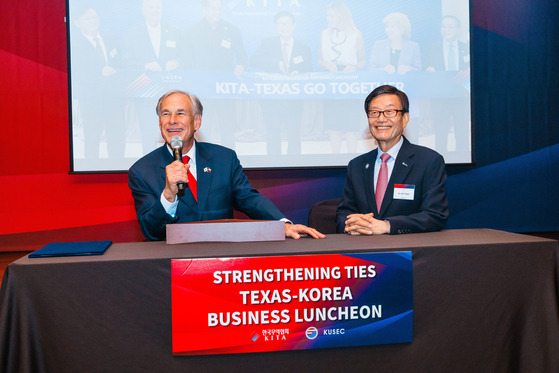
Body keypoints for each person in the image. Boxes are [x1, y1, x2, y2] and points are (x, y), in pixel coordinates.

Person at [128, 89, 325, 241]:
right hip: (171, 267)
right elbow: (150, 232)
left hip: (222, 262)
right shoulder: (142, 171)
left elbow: (248, 198)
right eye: (165, 114)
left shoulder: (224, 158)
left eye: (180, 113)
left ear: (197, 121)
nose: (172, 121)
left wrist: (281, 224)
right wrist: (168, 195)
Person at [336, 85, 449, 235]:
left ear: (405, 119)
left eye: (390, 112)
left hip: (410, 252)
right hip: (364, 252)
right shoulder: (357, 165)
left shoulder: (428, 161)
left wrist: (388, 226)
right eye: (374, 113)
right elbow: (344, 213)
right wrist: (351, 224)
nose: (381, 119)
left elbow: (435, 215)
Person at [122, 0, 182, 154]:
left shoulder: (174, 32)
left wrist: (176, 61)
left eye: (157, 7)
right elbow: (126, 60)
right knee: (147, 131)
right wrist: (145, 65)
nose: (155, 10)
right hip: (145, 89)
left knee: (172, 130)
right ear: (143, 10)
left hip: (169, 92)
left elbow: (185, 57)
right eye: (151, 7)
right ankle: (149, 166)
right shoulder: (132, 33)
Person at [250, 11, 313, 156]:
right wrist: (276, 64)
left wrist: (298, 72)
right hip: (272, 100)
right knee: (272, 134)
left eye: (287, 23)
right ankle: (272, 167)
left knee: (294, 133)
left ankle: (295, 166)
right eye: (281, 23)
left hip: (294, 100)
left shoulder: (303, 47)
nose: (284, 27)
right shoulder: (267, 43)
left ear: (294, 25)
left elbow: (309, 68)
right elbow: (253, 60)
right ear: (276, 26)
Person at [71, 5, 125, 159]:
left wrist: (116, 72)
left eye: (94, 17)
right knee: (92, 139)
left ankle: (118, 170)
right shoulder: (74, 43)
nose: (92, 21)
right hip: (91, 101)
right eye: (87, 18)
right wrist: (98, 72)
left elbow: (122, 64)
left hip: (115, 99)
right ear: (77, 23)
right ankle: (91, 172)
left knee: (117, 138)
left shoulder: (110, 38)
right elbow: (77, 70)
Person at [317, 1, 366, 154]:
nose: (328, 18)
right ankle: (335, 159)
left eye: (331, 15)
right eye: (327, 15)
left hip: (349, 85)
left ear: (340, 15)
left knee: (351, 129)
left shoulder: (355, 33)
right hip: (332, 87)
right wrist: (326, 65)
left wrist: (355, 67)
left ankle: (352, 162)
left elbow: (363, 60)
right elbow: (319, 60)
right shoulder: (324, 34)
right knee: (334, 128)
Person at [424, 15, 470, 154]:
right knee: (440, 130)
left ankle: (462, 159)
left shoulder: (466, 47)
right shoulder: (432, 47)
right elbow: (425, 68)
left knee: (461, 129)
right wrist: (428, 70)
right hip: (440, 96)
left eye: (450, 26)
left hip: (461, 96)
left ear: (457, 29)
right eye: (444, 26)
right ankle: (440, 161)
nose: (446, 29)